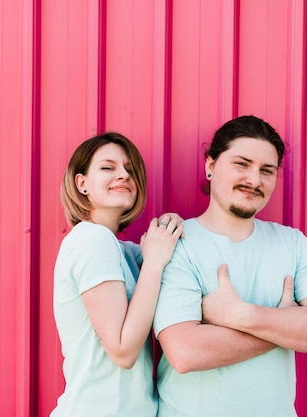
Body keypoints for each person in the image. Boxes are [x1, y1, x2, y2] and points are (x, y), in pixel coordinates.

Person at [153, 115, 307, 417]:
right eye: (242, 164)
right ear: (210, 166)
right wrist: (285, 324)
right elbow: (185, 352)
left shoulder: (292, 244)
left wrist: (241, 315)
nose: (254, 180)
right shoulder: (176, 242)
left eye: (266, 171)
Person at [51, 132, 184, 417]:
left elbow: (160, 256)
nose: (123, 175)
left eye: (129, 169)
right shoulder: (91, 240)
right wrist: (154, 263)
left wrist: (170, 226)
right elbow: (122, 351)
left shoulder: (121, 251)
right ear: (82, 183)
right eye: (108, 167)